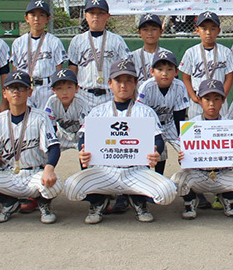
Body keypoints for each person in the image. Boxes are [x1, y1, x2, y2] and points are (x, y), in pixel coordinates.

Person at [64, 59, 177, 224]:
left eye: (128, 80)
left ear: (136, 83)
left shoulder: (145, 111)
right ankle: (98, 201)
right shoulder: (98, 111)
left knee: (168, 192)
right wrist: (83, 151)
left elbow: (158, 140)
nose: (123, 85)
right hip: (105, 172)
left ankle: (137, 199)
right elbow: (83, 137)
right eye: (118, 81)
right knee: (71, 188)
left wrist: (156, 152)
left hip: (135, 172)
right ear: (110, 83)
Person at [0, 71, 62, 224]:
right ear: (5, 93)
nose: (16, 91)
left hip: (33, 174)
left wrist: (49, 168)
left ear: (30, 92)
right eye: (11, 88)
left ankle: (43, 203)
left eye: (21, 88)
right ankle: (8, 202)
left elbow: (53, 147)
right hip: (8, 175)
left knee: (55, 185)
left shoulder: (40, 117)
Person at [172, 79, 233, 219]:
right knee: (176, 181)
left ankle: (227, 197)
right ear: (199, 100)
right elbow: (184, 160)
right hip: (198, 175)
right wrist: (182, 157)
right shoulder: (190, 126)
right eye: (207, 99)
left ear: (223, 100)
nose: (212, 103)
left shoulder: (230, 125)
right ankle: (190, 200)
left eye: (216, 99)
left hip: (223, 174)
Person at [133, 49, 189, 175]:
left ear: (176, 72)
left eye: (169, 69)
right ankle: (148, 176)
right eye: (160, 69)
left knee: (186, 151)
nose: (165, 73)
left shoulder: (180, 86)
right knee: (153, 151)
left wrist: (182, 139)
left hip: (169, 123)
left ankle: (190, 179)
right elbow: (140, 113)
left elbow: (179, 115)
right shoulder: (146, 87)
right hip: (149, 125)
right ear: (152, 72)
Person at [67, 0, 131, 107]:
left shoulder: (117, 40)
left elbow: (125, 68)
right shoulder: (77, 41)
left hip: (109, 95)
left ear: (107, 16)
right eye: (92, 13)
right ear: (86, 16)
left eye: (100, 13)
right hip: (84, 94)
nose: (96, 16)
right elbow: (72, 69)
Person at [10, 0, 67, 109]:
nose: (36, 18)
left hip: (46, 87)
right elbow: (15, 71)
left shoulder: (54, 42)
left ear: (47, 19)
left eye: (41, 15)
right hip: (24, 87)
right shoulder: (18, 43)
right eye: (33, 15)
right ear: (26, 18)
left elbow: (58, 71)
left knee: (47, 121)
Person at [179, 11, 233, 117]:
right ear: (197, 30)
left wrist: (223, 96)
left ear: (219, 31)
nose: (208, 32)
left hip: (218, 98)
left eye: (213, 28)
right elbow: (186, 78)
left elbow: (229, 77)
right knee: (196, 129)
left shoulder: (225, 52)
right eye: (204, 29)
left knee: (220, 127)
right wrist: (192, 96)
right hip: (198, 98)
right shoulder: (191, 52)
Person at [43, 68, 91, 152]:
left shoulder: (81, 103)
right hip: (60, 139)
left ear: (77, 88)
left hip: (79, 139)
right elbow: (50, 128)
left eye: (69, 87)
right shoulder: (52, 102)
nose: (64, 92)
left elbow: (86, 131)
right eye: (59, 88)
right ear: (53, 90)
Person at [131, 13, 166, 85]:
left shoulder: (166, 54)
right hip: (139, 95)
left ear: (161, 31)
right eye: (145, 29)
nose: (150, 33)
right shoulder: (132, 56)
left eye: (154, 29)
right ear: (139, 32)